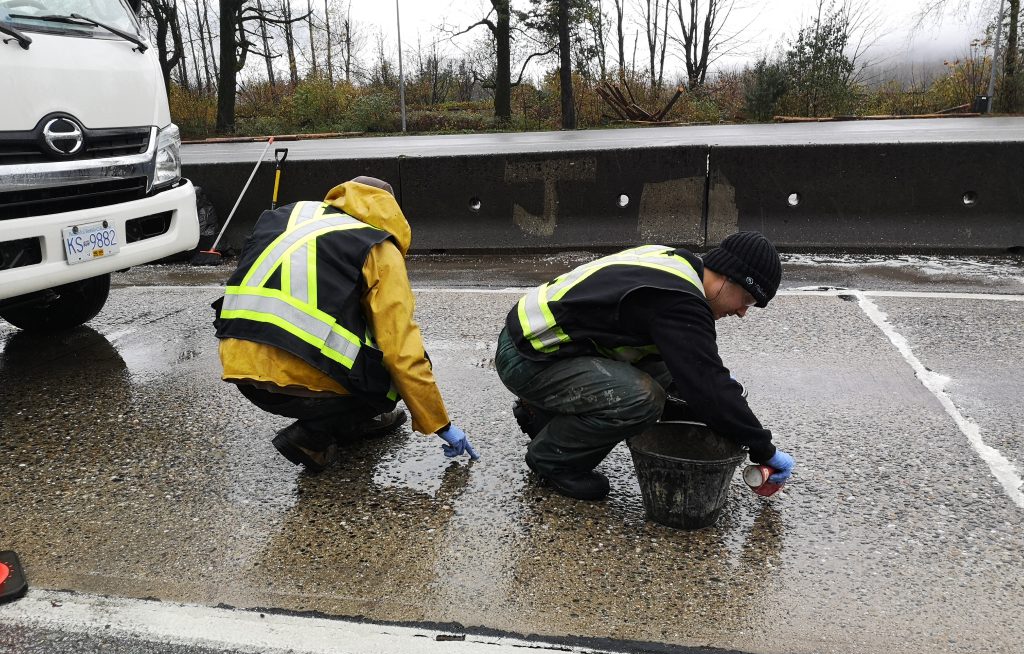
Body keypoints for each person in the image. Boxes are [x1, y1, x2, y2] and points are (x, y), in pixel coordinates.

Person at [494, 232, 794, 500]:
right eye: (748, 299)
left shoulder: (676, 263)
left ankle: (543, 417)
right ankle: (552, 460)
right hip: (528, 359)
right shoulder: (680, 302)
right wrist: (763, 448)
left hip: (542, 342)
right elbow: (708, 386)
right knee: (644, 398)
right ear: (731, 276)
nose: (742, 312)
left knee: (674, 383)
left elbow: (696, 371)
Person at [213, 176, 478, 472]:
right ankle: (313, 436)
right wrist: (440, 423)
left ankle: (350, 424)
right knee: (390, 376)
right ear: (390, 209)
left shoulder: (290, 217)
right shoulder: (377, 245)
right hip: (291, 381)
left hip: (237, 367)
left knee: (355, 334)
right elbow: (402, 351)